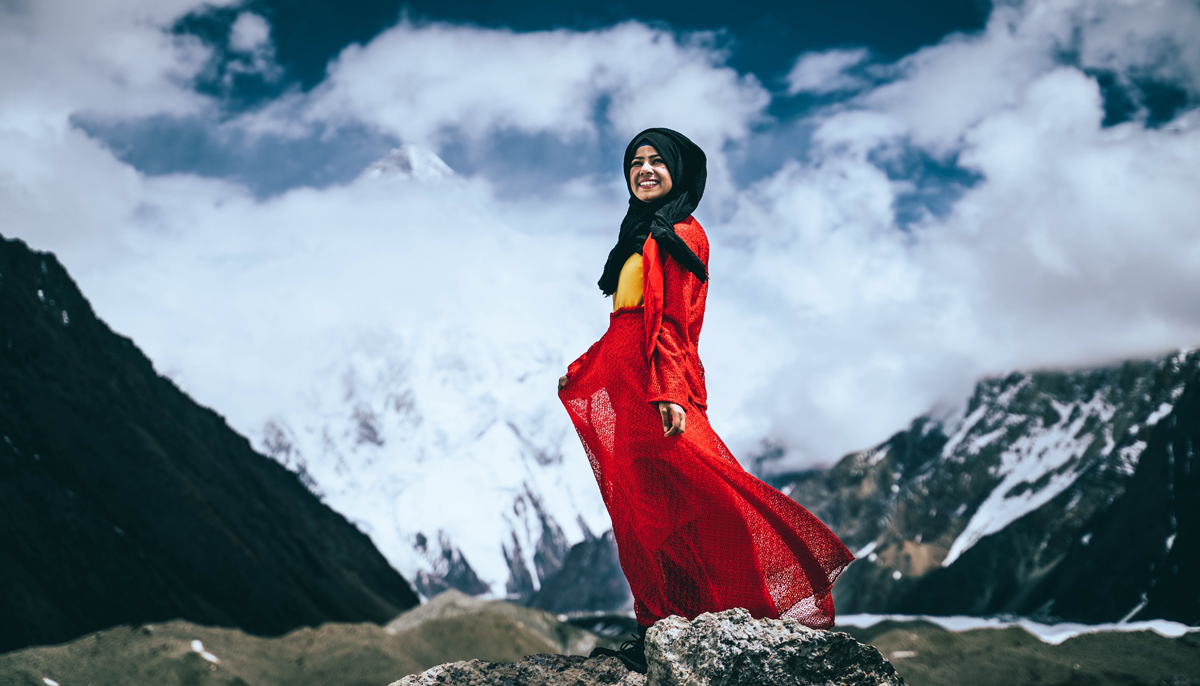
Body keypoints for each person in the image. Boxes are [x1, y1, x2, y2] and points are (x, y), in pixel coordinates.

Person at [557, 128, 854, 673]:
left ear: (680, 171)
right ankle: (659, 625)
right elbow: (626, 320)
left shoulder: (683, 234)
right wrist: (583, 369)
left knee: (701, 491)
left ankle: (770, 597)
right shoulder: (644, 232)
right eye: (635, 162)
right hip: (630, 385)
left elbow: (672, 322)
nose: (644, 170)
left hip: (655, 387)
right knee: (642, 512)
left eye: (657, 162)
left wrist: (668, 392)